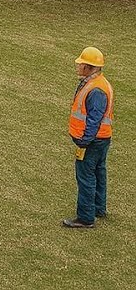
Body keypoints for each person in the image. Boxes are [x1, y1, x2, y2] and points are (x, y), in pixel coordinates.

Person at [63, 46, 114, 228]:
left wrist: (84, 141)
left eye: (81, 64)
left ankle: (85, 217)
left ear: (89, 67)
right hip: (102, 139)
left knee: (86, 176)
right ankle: (98, 208)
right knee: (99, 172)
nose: (78, 67)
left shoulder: (96, 90)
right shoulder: (98, 83)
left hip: (93, 141)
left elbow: (94, 119)